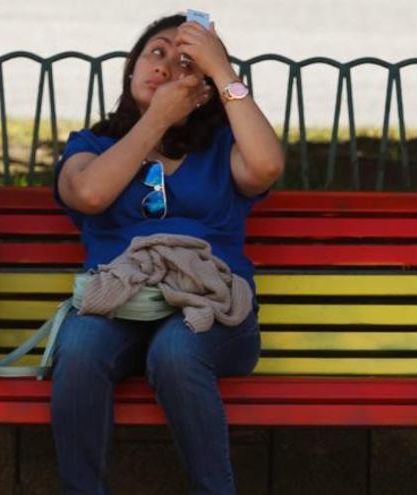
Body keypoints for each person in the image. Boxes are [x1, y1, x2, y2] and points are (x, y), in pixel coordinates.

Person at [52, 13, 284, 495]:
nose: (162, 67)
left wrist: (223, 73)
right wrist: (156, 118)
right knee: (77, 348)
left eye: (184, 63)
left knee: (176, 351)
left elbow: (266, 165)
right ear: (132, 65)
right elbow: (89, 194)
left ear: (201, 88)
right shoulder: (92, 145)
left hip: (210, 307)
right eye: (155, 52)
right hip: (120, 302)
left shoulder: (223, 148)